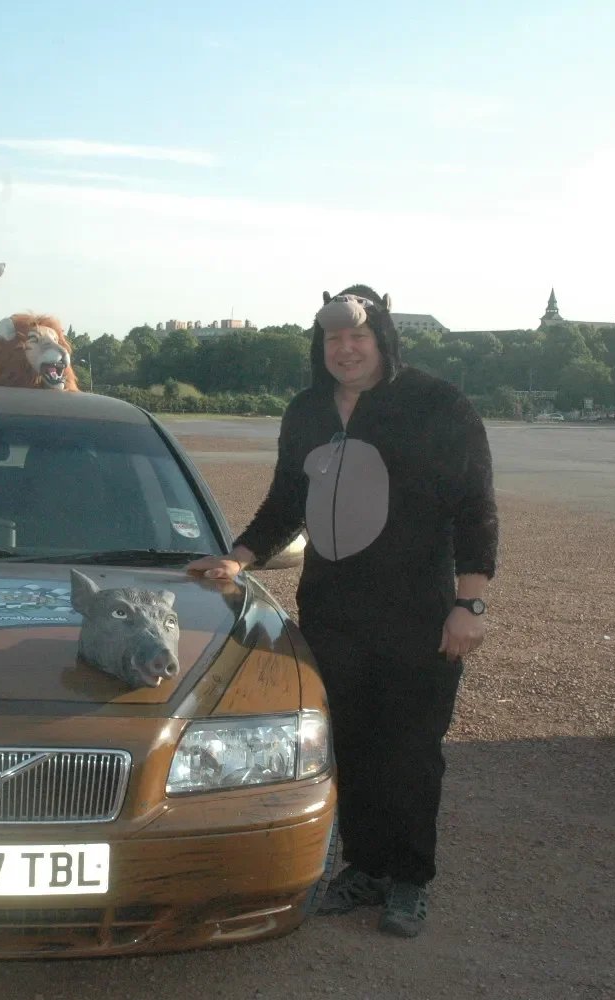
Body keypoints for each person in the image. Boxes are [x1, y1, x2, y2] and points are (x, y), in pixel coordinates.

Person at [187, 285, 497, 938]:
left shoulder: (438, 404)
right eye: (333, 339)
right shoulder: (307, 411)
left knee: (410, 749)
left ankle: (409, 878)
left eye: (357, 337)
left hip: (418, 610)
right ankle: (365, 867)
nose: (345, 349)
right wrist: (239, 557)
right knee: (350, 742)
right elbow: (286, 500)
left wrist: (468, 602)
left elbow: (475, 506)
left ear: (383, 340)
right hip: (333, 612)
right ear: (320, 347)